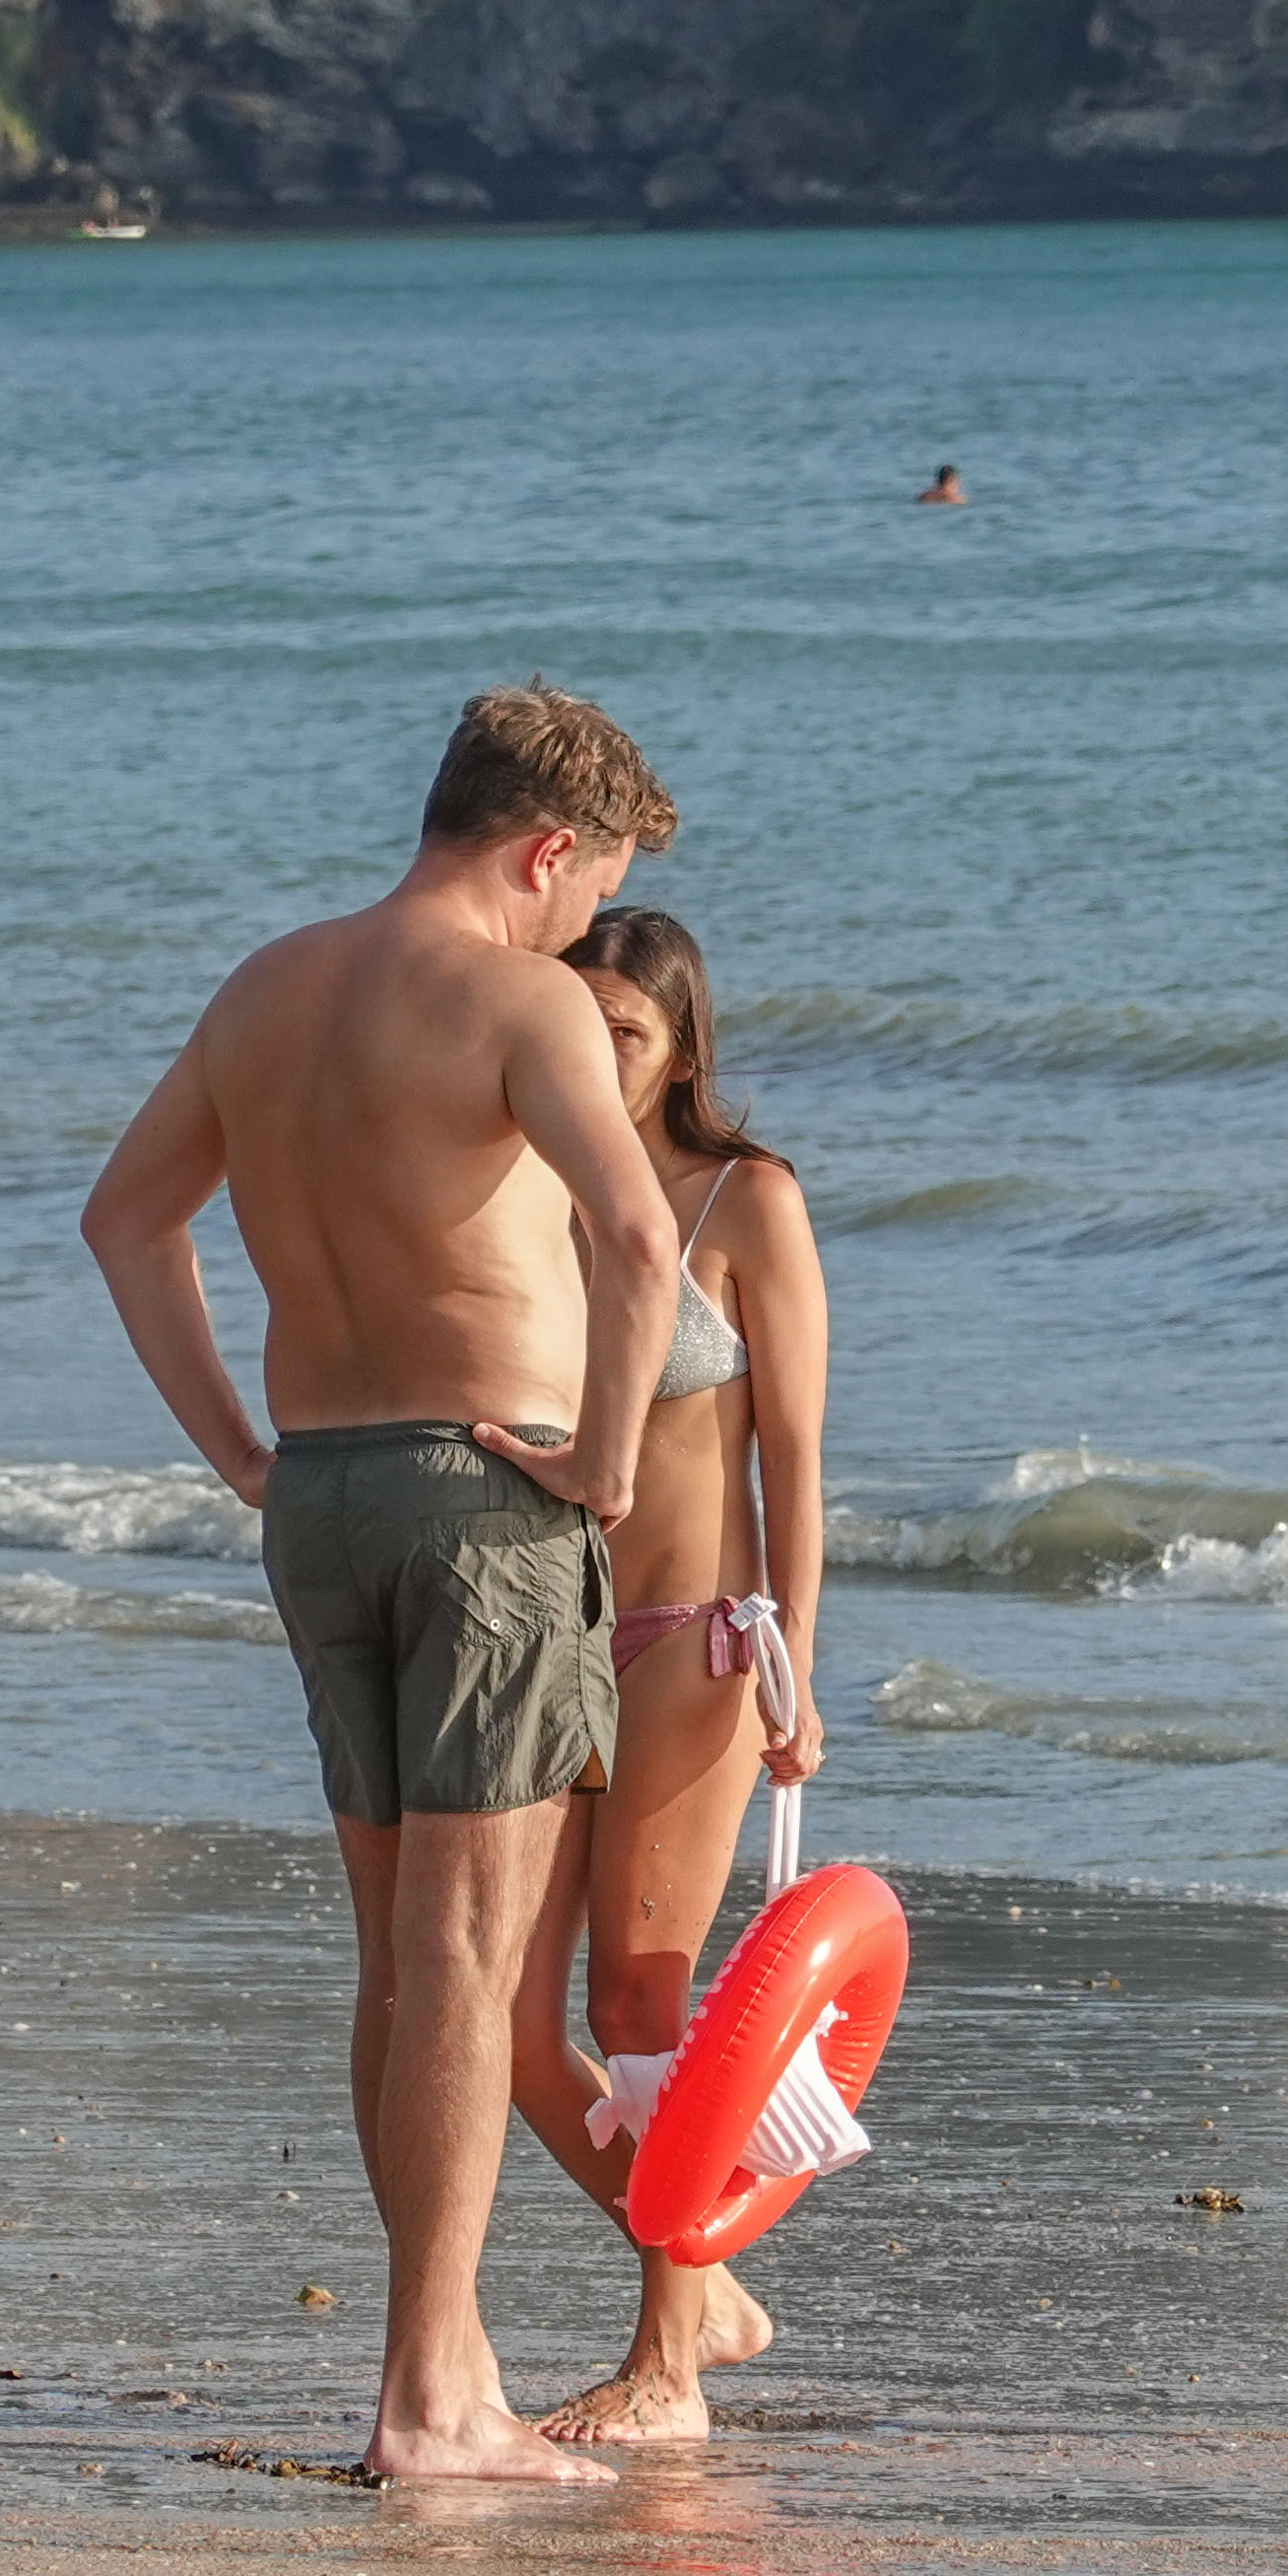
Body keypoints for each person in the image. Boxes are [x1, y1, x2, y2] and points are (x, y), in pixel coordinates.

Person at [79, 683, 686, 2486]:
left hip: (324, 1492)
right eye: (598, 891)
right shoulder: (520, 1000)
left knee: (397, 1964)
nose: (591, 930)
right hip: (480, 1500)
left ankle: (452, 2355)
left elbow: (127, 1218)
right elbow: (644, 1236)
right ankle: (433, 2397)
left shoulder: (269, 989)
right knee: (466, 1954)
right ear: (543, 848)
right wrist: (607, 1458)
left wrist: (245, 1457)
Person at [504, 907, 834, 2444]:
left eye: (626, 1033)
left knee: (644, 2007)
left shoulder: (746, 1203)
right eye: (578, 1026)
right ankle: (701, 2284)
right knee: (505, 2027)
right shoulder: (525, 1190)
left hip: (690, 1643)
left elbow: (797, 1466)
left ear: (683, 1047)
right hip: (543, 1634)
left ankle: (667, 2371)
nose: (598, 1055)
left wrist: (799, 1669)